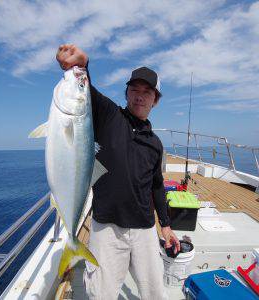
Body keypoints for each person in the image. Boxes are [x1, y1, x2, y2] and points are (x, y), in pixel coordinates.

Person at [56, 44, 180, 300]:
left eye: (147, 92)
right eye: (134, 89)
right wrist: (81, 65)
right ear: (126, 93)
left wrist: (165, 226)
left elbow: (156, 185)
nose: (140, 96)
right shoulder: (110, 116)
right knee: (101, 294)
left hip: (144, 229)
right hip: (106, 226)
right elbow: (85, 92)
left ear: (155, 100)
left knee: (155, 293)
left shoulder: (155, 143)